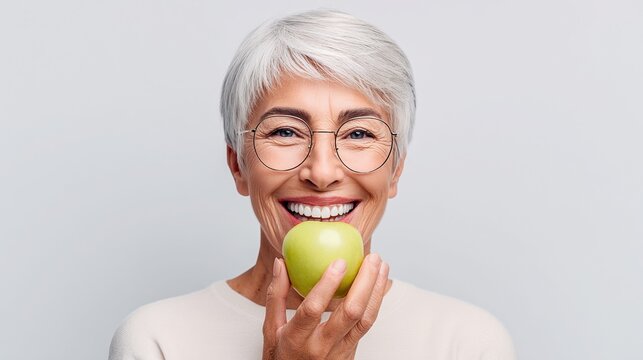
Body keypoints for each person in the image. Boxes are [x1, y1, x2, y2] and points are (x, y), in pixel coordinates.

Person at [109, 9, 516, 360]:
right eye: (286, 132)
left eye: (358, 134)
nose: (322, 173)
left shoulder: (467, 343)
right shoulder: (158, 340)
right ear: (237, 166)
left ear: (395, 169)